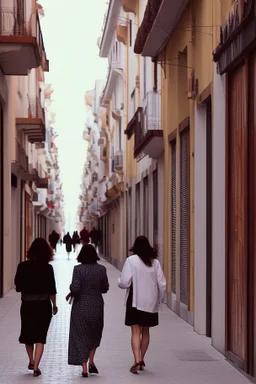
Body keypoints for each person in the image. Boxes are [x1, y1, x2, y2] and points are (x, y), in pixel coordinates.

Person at [118, 236, 166, 374]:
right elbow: (162, 284)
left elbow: (124, 283)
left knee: (135, 331)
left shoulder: (131, 261)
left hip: (135, 301)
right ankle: (142, 359)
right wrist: (160, 299)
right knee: (146, 331)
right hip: (150, 302)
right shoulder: (154, 263)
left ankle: (136, 360)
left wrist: (119, 280)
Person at [14, 238, 58, 377]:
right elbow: (52, 290)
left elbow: (18, 287)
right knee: (40, 336)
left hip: (27, 304)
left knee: (28, 334)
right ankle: (36, 367)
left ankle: (31, 360)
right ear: (47, 252)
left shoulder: (22, 266)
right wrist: (54, 305)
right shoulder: (48, 268)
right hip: (43, 306)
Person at [67, 244, 109, 377]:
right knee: (94, 334)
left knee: (80, 335)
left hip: (80, 306)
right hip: (96, 304)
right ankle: (92, 361)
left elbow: (75, 288)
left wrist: (71, 288)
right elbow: (105, 288)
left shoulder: (78, 269)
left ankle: (84, 368)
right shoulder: (101, 269)